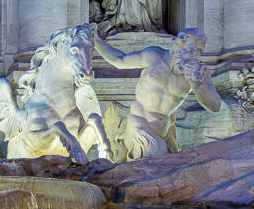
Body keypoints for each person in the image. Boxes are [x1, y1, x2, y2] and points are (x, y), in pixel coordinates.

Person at [94, 28, 222, 159]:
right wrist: (96, 41)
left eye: (198, 52)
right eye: (190, 50)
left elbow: (214, 106)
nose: (193, 56)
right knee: (160, 165)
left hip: (166, 132)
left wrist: (197, 84)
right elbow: (119, 60)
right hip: (139, 127)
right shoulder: (155, 56)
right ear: (179, 45)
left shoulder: (198, 73)